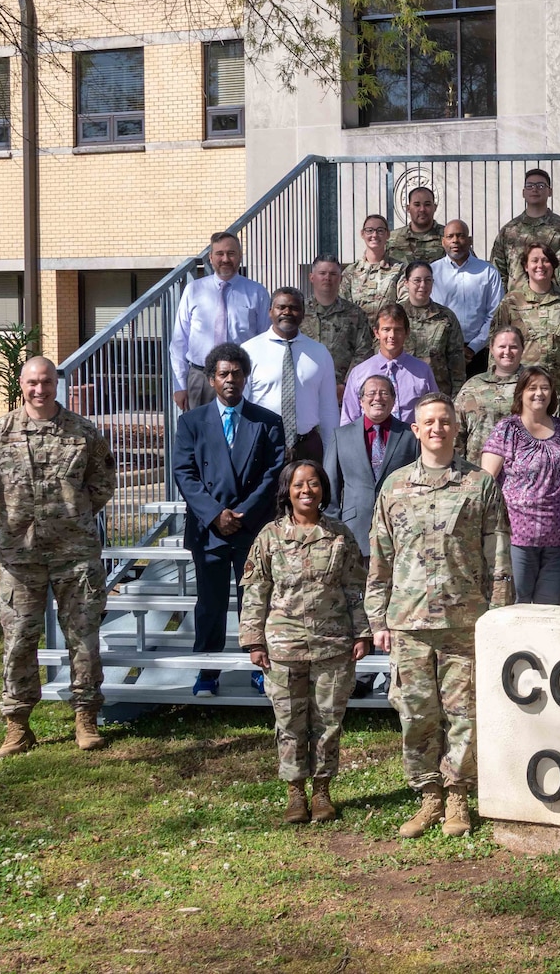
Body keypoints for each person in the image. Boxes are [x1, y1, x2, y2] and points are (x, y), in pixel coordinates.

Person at [0, 356, 116, 757]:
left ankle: (86, 718)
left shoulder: (82, 432)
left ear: (58, 383)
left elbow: (104, 480)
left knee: (83, 638)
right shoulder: (0, 433)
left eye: (47, 382)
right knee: (19, 639)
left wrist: (75, 514)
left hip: (75, 555)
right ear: (21, 384)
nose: (40, 390)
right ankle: (17, 725)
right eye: (33, 383)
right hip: (20, 557)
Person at [367, 394, 512, 840]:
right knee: (414, 714)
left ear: (456, 428)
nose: (437, 428)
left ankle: (457, 796)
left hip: (464, 619)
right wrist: (377, 620)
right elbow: (381, 556)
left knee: (464, 714)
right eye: (428, 422)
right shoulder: (393, 487)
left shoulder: (479, 484)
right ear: (415, 430)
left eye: (444, 421)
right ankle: (428, 795)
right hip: (408, 622)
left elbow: (499, 553)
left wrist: (500, 616)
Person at [239, 460, 370, 825]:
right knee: (290, 722)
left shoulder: (340, 535)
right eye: (299, 485)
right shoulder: (269, 536)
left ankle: (323, 791)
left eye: (313, 484)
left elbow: (354, 589)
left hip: (333, 643)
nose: (307, 491)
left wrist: (362, 633)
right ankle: (295, 793)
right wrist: (254, 641)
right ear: (287, 491)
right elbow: (256, 591)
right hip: (284, 646)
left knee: (328, 720)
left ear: (323, 489)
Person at [172, 342, 289, 697]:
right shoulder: (191, 422)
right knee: (211, 602)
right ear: (211, 379)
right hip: (209, 529)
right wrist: (214, 515)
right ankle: (207, 670)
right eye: (223, 374)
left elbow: (274, 473)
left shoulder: (268, 422)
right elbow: (185, 472)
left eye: (237, 373)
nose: (230, 380)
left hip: (251, 527)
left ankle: (259, 668)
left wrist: (242, 514)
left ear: (246, 376)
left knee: (257, 601)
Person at [480, 367, 560, 606]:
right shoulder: (508, 429)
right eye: (532, 388)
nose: (539, 393)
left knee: (548, 607)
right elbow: (485, 482)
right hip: (517, 535)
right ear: (521, 393)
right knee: (517, 604)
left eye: (544, 388)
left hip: (559, 534)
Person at [169, 231, 270, 409]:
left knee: (241, 433)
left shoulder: (257, 293)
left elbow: (265, 341)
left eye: (231, 253)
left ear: (240, 256)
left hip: (241, 379)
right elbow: (179, 342)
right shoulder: (193, 290)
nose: (225, 259)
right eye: (219, 254)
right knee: (200, 434)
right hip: (201, 379)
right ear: (210, 257)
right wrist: (180, 386)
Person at [242, 287, 338, 464]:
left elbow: (328, 410)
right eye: (281, 307)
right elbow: (241, 408)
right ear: (270, 312)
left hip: (307, 446)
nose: (287, 312)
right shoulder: (249, 351)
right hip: (264, 445)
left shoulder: (319, 353)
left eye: (294, 308)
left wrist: (331, 457)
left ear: (303, 313)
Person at [488, 243, 560, 395]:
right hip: (524, 387)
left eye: (545, 260)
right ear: (525, 266)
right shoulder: (511, 302)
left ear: (553, 265)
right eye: (534, 260)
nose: (540, 265)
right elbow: (495, 344)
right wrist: (495, 383)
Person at [333, 374, 417, 552]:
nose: (377, 398)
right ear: (361, 400)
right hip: (354, 531)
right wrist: (333, 528)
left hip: (401, 530)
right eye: (371, 393)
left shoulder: (410, 435)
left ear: (394, 401)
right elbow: (331, 489)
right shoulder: (340, 436)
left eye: (384, 393)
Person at [340, 307, 440, 424]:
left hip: (411, 440)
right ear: (376, 333)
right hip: (371, 440)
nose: (392, 335)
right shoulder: (359, 373)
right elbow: (349, 419)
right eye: (386, 329)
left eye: (397, 330)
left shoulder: (422, 371)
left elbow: (434, 412)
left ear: (406, 332)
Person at [490, 167, 560, 294]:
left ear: (550, 191)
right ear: (523, 192)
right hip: (517, 305)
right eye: (530, 185)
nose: (535, 189)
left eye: (541, 186)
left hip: (555, 305)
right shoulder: (509, 231)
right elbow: (498, 272)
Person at [433, 220, 502, 377]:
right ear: (443, 242)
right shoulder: (433, 272)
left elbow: (495, 314)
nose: (455, 240)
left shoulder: (487, 272)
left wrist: (473, 348)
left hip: (479, 353)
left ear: (470, 240)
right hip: (442, 351)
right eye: (450, 236)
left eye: (460, 236)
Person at [397, 261, 468, 398]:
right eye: (417, 280)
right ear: (406, 283)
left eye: (428, 280)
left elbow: (456, 361)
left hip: (437, 393)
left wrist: (456, 397)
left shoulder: (446, 316)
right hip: (401, 394)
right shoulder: (396, 315)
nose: (423, 285)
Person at [454, 325, 524, 462]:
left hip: (522, 474)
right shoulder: (473, 386)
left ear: (522, 349)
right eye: (502, 346)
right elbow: (456, 433)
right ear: (491, 349)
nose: (507, 351)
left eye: (514, 347)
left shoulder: (534, 385)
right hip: (478, 472)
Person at [304, 255, 374, 385]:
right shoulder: (299, 312)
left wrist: (347, 385)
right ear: (312, 277)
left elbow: (364, 352)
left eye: (333, 274)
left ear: (341, 279)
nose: (327, 278)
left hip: (343, 391)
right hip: (305, 388)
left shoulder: (355, 314)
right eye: (322, 273)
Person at [340, 214, 403, 312]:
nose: (374, 235)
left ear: (388, 234)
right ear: (362, 234)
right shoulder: (350, 272)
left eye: (380, 231)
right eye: (369, 230)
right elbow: (343, 305)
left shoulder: (400, 269)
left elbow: (404, 304)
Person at [387, 183, 445, 266]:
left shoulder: (449, 237)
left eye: (427, 204)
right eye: (417, 205)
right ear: (408, 208)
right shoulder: (392, 239)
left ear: (434, 207)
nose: (422, 209)